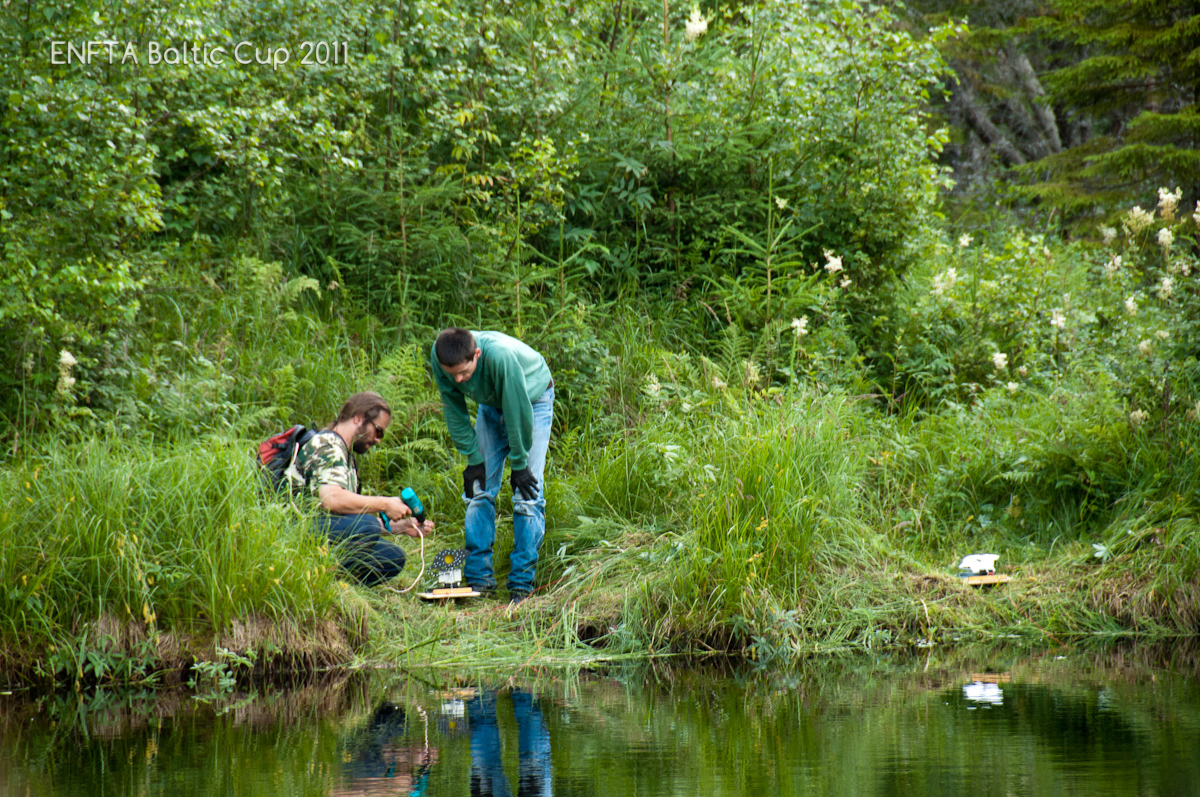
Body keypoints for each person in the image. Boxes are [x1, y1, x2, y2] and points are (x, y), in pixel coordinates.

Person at [431, 329, 553, 604]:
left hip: (533, 399)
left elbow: (517, 407)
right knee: (478, 491)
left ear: (477, 354)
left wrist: (519, 464)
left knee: (528, 496)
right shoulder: (442, 356)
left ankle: (522, 586)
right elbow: (454, 409)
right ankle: (479, 581)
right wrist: (474, 459)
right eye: (452, 374)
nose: (458, 380)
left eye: (464, 372)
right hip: (491, 403)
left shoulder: (500, 357)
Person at [287, 391, 433, 586]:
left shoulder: (347, 457)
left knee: (393, 556)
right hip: (296, 530)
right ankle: (309, 570)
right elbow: (331, 499)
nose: (379, 440)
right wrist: (385, 504)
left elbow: (347, 520)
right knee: (368, 525)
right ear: (358, 418)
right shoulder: (327, 445)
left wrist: (403, 527)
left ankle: (329, 579)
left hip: (322, 530)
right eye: (379, 431)